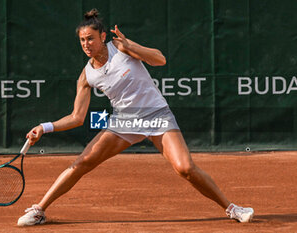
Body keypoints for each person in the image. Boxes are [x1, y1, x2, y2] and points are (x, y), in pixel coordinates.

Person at [17, 9, 254, 226]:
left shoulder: (121, 48)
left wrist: (130, 45)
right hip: (124, 121)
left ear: (102, 37)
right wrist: (44, 127)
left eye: (90, 38)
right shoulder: (87, 75)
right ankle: (39, 210)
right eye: (82, 40)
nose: (86, 44)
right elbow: (77, 117)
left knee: (185, 168)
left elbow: (159, 59)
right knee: (82, 163)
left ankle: (232, 208)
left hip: (156, 115)